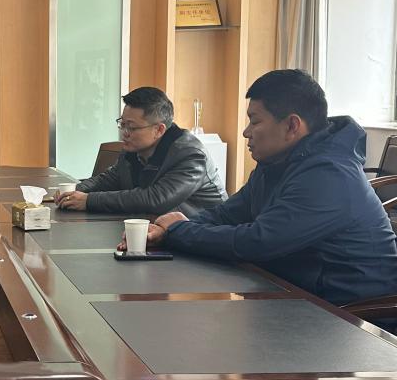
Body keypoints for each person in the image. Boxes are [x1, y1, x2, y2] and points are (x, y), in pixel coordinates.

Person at [135, 69, 397, 306]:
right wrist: (167, 228)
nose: (246, 132)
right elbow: (227, 214)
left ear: (292, 125)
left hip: (350, 316)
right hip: (293, 294)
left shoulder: (329, 175)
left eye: (255, 121)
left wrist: (179, 230)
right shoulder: (276, 162)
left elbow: (259, 242)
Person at [58, 87, 227, 216]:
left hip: (203, 235)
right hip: (158, 230)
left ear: (159, 130)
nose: (124, 133)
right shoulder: (134, 149)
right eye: (122, 124)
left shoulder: (190, 155)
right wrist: (72, 191)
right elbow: (111, 179)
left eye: (131, 127)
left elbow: (156, 199)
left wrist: (89, 201)